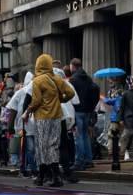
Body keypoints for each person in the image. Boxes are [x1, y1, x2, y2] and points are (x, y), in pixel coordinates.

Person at [24, 54, 74, 187]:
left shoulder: (38, 80)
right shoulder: (57, 79)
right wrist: (59, 100)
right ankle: (53, 176)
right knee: (53, 146)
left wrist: (27, 112)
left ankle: (46, 176)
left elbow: (36, 101)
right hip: (57, 116)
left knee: (41, 147)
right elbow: (70, 93)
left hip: (42, 118)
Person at [68, 58, 98, 170]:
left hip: (78, 110)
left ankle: (79, 161)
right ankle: (89, 160)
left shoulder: (73, 79)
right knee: (85, 136)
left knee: (78, 137)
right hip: (87, 110)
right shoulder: (88, 78)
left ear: (73, 67)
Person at [55, 67, 80, 183]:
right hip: (65, 118)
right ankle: (67, 173)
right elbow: (75, 102)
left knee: (51, 147)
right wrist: (74, 123)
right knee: (63, 146)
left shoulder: (49, 83)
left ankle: (53, 174)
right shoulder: (67, 84)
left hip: (52, 118)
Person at [118, 77, 133, 162]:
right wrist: (121, 118)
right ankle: (127, 151)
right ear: (131, 83)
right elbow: (122, 106)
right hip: (129, 116)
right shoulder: (126, 93)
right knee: (130, 134)